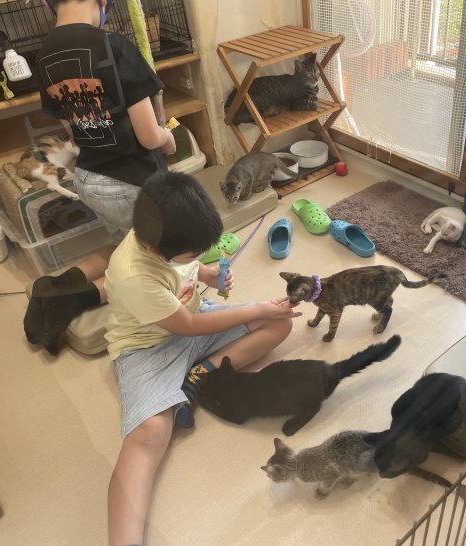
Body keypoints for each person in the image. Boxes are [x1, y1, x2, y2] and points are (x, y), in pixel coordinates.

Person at [105, 171, 300, 546]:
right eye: (194, 253)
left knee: (280, 324)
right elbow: (189, 326)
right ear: (154, 250)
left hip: (193, 320)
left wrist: (209, 274)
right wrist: (254, 308)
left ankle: (199, 376)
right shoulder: (133, 274)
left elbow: (187, 273)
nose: (197, 257)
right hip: (146, 348)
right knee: (151, 433)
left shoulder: (165, 233)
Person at [24, 0, 176, 354]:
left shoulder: (43, 57)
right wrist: (168, 139)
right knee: (152, 264)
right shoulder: (115, 46)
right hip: (132, 184)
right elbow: (150, 137)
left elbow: (73, 131)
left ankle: (54, 284)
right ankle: (72, 300)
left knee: (123, 246)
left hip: (90, 179)